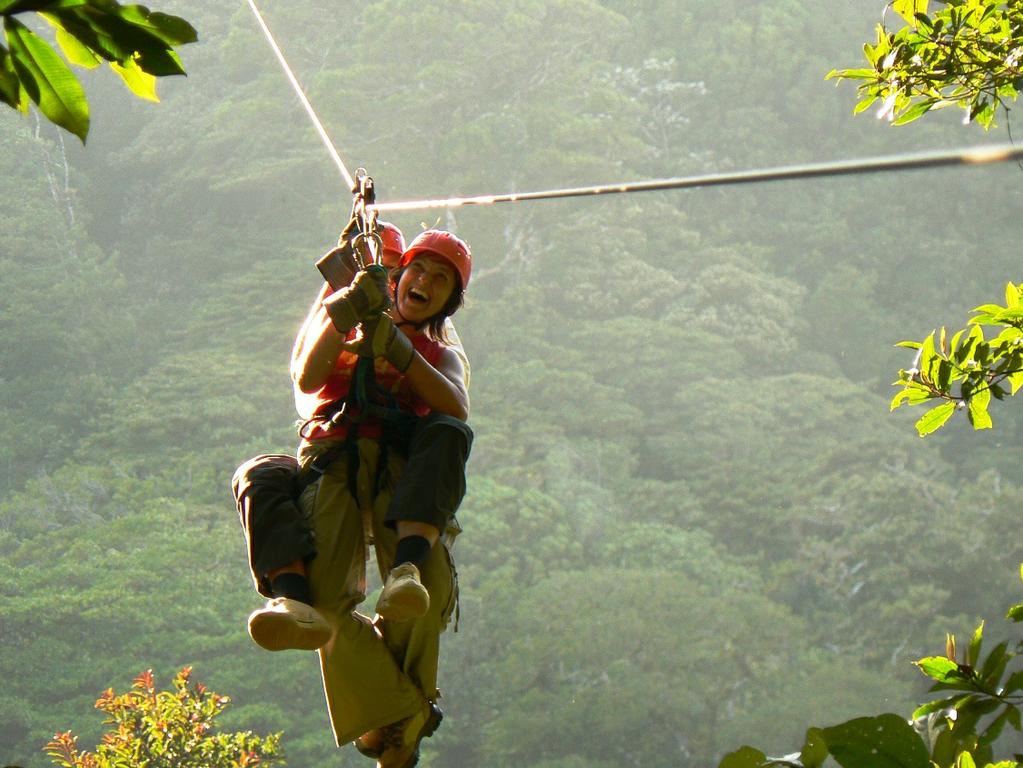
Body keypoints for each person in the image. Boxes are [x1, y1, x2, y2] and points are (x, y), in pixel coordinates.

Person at [232, 226, 473, 768]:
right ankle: (404, 715)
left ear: (448, 301)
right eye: (417, 270)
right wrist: (344, 314)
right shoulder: (338, 329)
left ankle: (389, 705)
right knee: (323, 606)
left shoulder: (438, 352)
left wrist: (397, 347)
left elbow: (455, 406)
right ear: (394, 277)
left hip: (399, 473)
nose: (424, 282)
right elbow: (308, 376)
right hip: (335, 460)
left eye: (440, 280)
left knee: (422, 595)